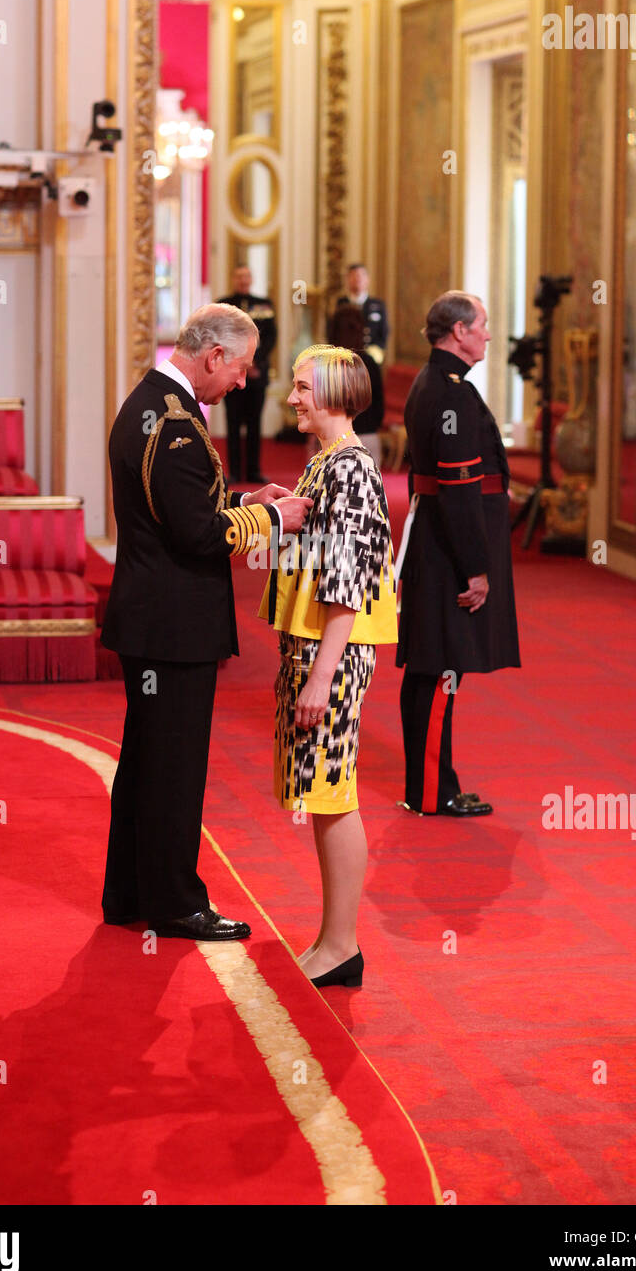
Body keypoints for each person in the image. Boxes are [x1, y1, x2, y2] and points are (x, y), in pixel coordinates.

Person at [101, 304, 311, 941]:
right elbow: (196, 532)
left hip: (151, 616)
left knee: (145, 760)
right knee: (174, 765)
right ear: (214, 356)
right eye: (242, 368)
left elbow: (185, 501)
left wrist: (247, 499)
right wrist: (276, 521)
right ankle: (175, 902)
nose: (244, 383)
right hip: (172, 623)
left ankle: (129, 892)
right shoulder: (177, 424)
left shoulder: (154, 403)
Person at [259, 344, 397, 987]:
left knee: (335, 796)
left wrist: (320, 674)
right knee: (321, 794)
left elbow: (347, 580)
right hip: (314, 648)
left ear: (337, 396)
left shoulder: (349, 470)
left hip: (330, 654)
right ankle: (332, 938)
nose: (292, 398)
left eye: (303, 387)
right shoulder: (326, 465)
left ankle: (342, 945)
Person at [395, 292, 520, 816]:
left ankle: (437, 782)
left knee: (435, 669)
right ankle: (432, 791)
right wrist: (477, 569)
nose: (489, 335)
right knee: (443, 669)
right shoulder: (450, 396)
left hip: (437, 544)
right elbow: (460, 490)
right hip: (451, 555)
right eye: (483, 326)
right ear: (460, 332)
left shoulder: (440, 385)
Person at [218, 266, 277, 485]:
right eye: (239, 276)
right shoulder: (222, 305)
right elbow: (219, 337)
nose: (243, 279)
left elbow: (271, 337)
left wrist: (253, 362)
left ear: (251, 279)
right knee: (232, 424)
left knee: (255, 424)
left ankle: (253, 471)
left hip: (257, 374)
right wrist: (238, 363)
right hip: (230, 375)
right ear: (233, 278)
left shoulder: (264, 304)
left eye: (246, 276)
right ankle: (233, 472)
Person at [328, 263, 388, 461]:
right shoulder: (340, 303)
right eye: (353, 276)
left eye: (361, 276)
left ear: (367, 279)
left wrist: (370, 358)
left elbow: (383, 335)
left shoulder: (377, 305)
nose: (357, 280)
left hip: (368, 363)